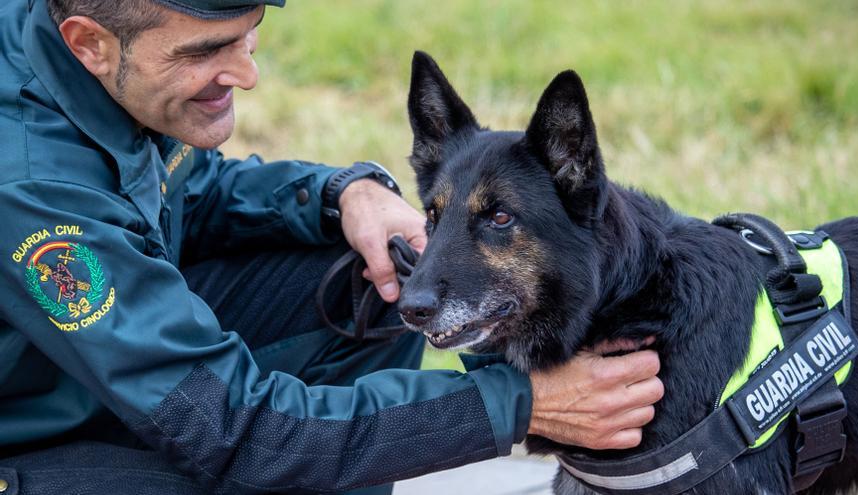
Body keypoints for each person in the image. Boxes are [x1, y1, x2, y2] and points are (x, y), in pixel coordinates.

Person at [0, 0, 664, 493]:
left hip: (84, 370)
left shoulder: (91, 55)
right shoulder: (30, 184)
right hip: (27, 436)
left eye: (249, 32)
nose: (246, 73)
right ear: (88, 43)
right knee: (236, 472)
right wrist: (520, 403)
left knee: (369, 275)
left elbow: (177, 193)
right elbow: (232, 428)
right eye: (204, 51)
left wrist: (338, 195)